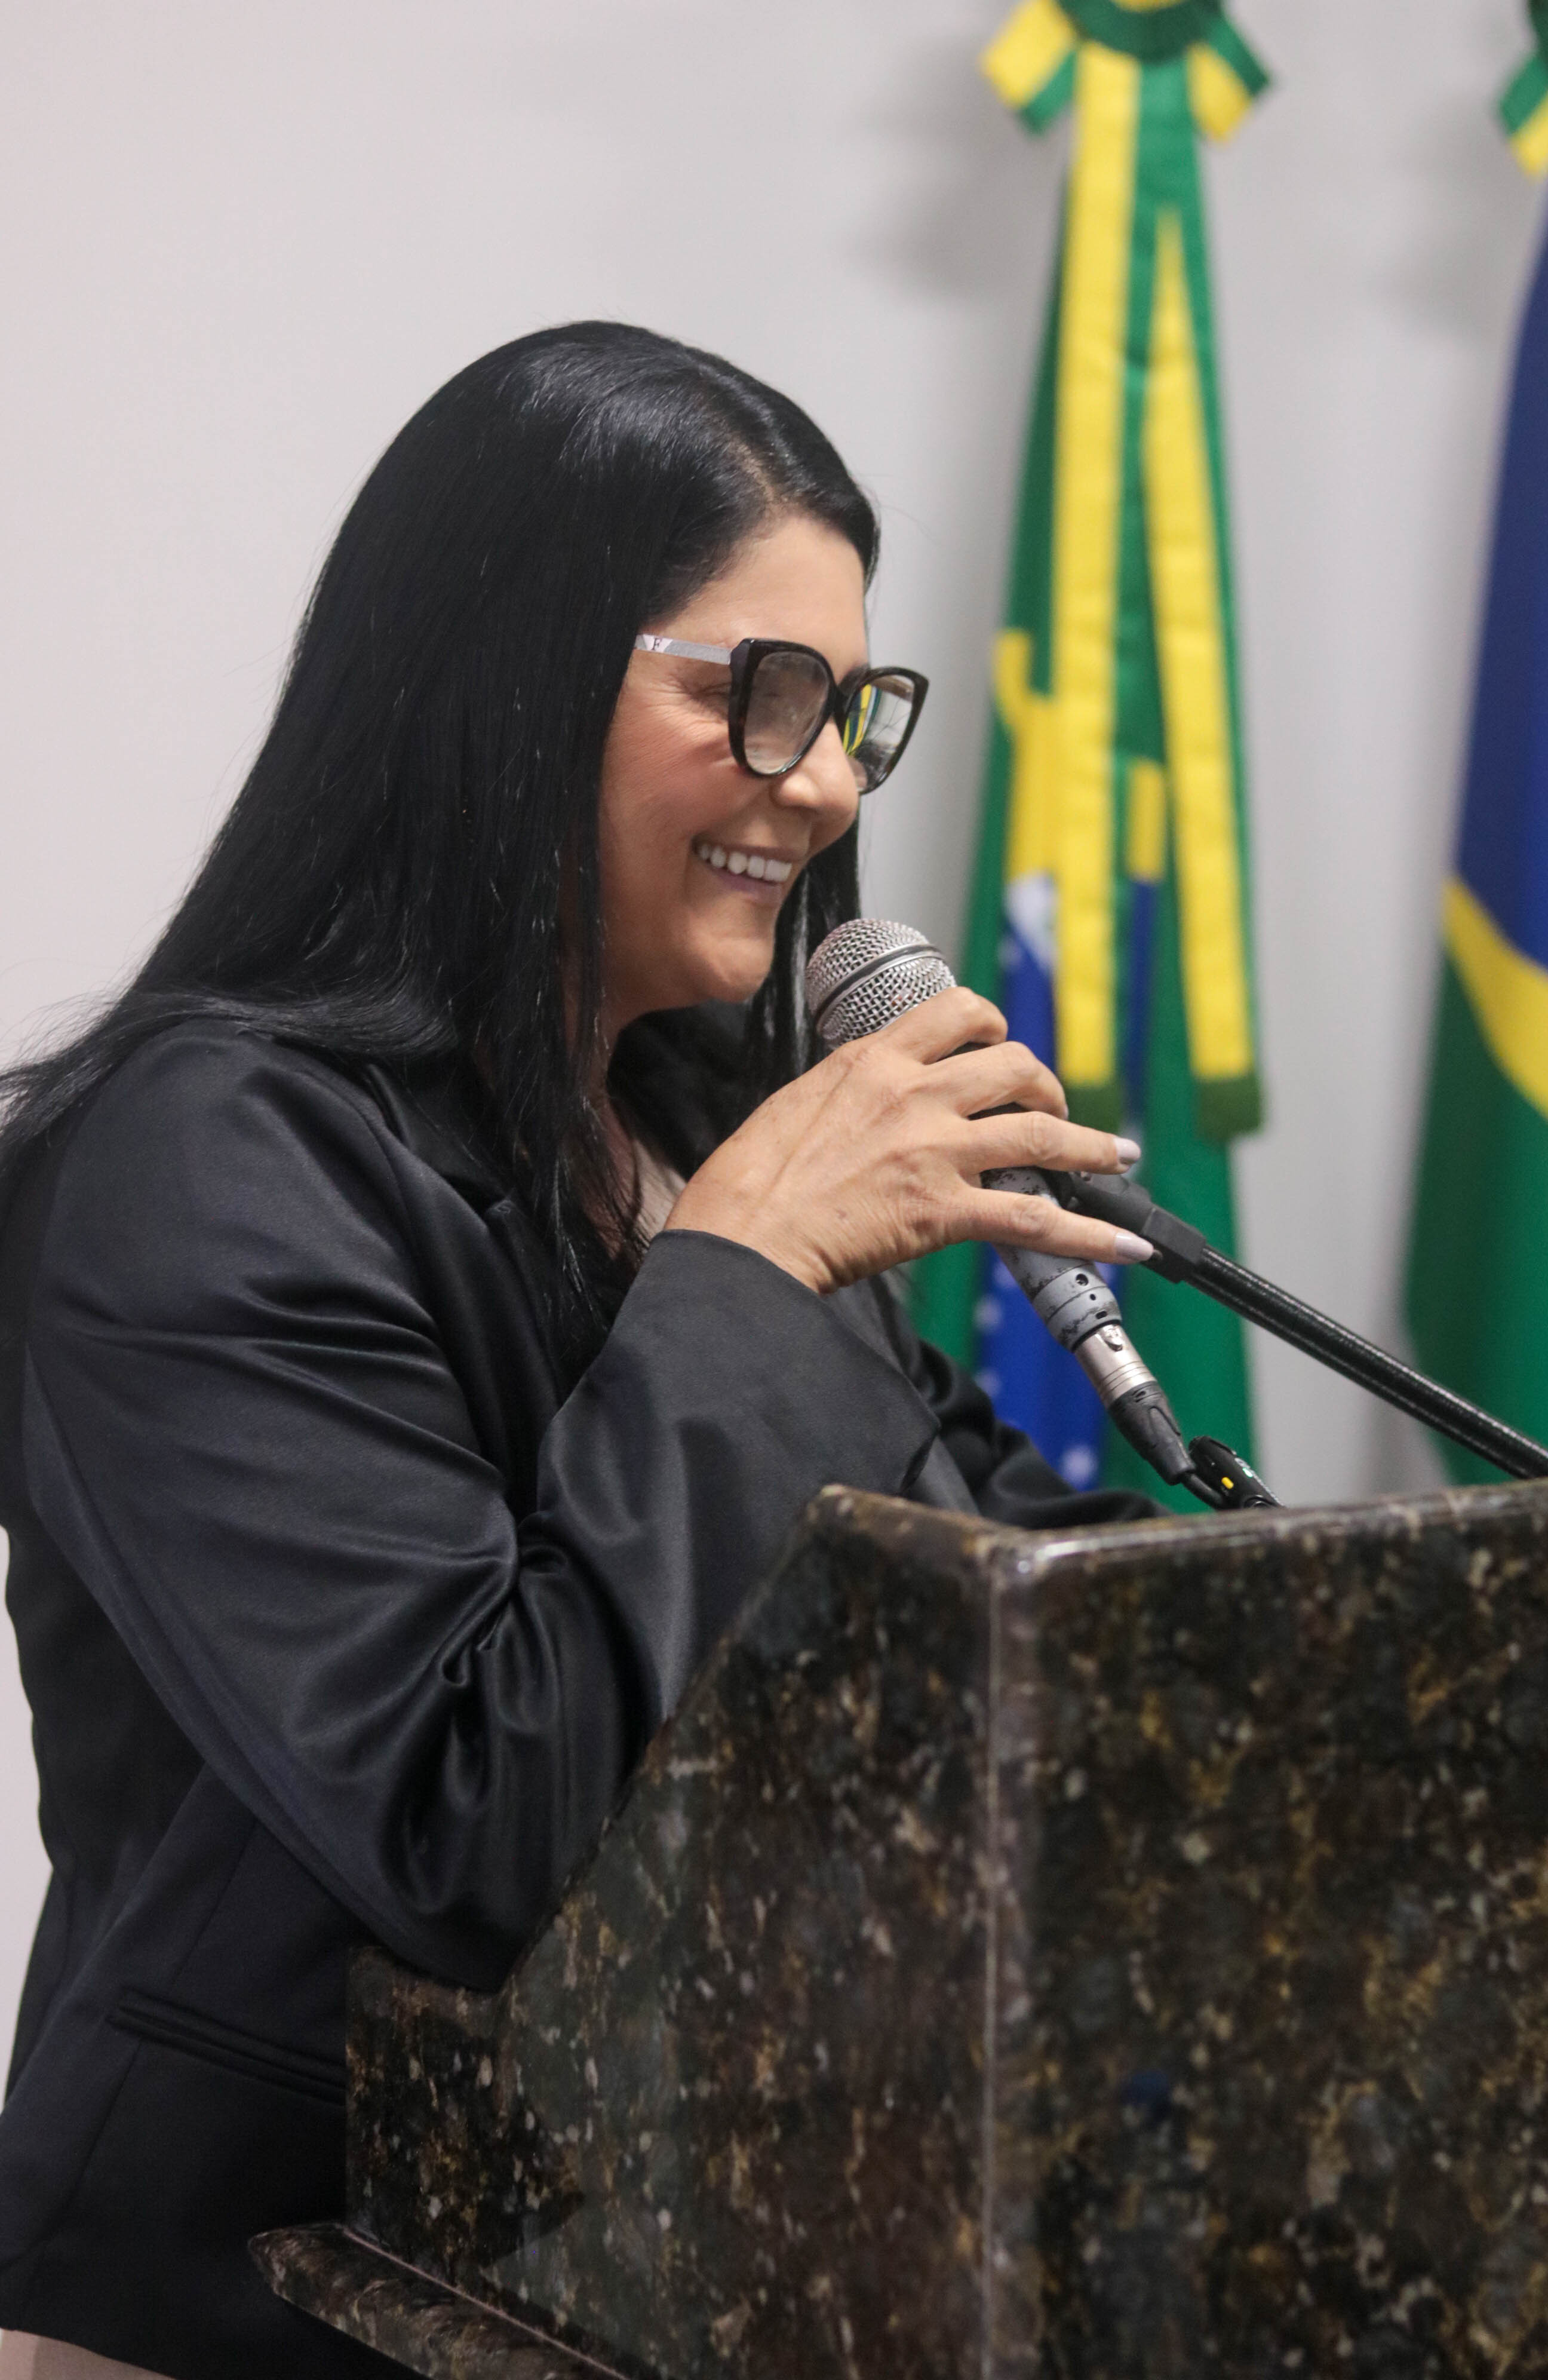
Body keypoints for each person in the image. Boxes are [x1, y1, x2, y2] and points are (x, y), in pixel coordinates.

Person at [0, 324, 1159, 2378]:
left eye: (851, 710)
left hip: (708, 2249)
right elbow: (472, 1823)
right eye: (760, 695)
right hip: (282, 2291)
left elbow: (969, 1588)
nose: (825, 781)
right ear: (509, 684)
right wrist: (744, 1272)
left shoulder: (704, 1125)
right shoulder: (199, 1161)